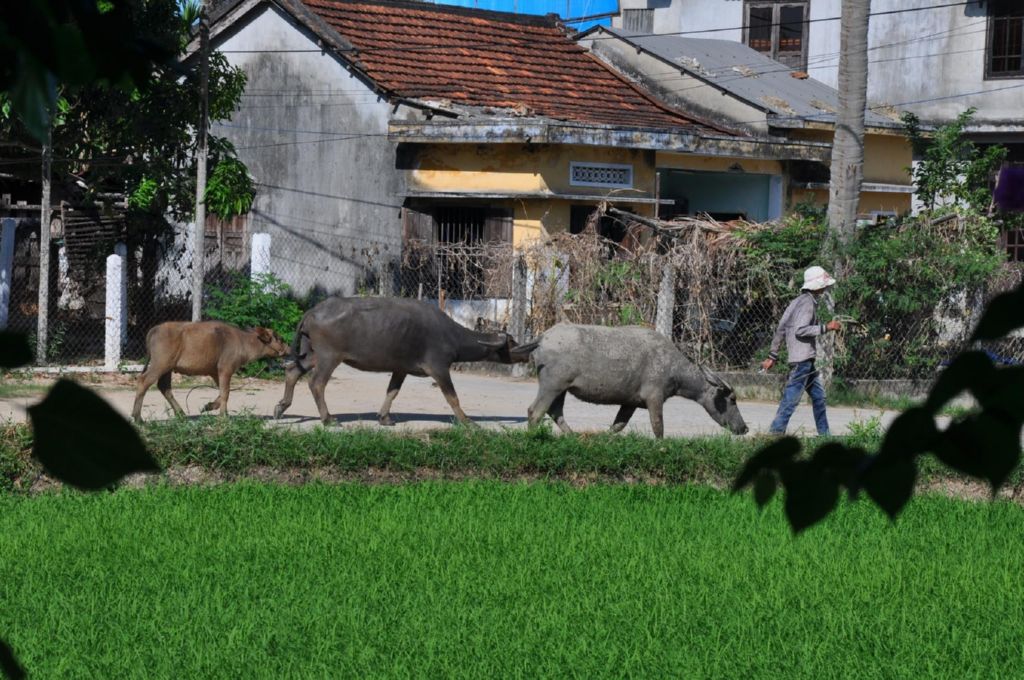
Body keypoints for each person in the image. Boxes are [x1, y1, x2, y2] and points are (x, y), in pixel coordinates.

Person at [760, 265, 842, 436]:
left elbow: (781, 328)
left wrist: (772, 355)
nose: (826, 287)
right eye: (824, 284)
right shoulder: (808, 305)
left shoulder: (796, 301)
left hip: (804, 361)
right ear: (818, 286)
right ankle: (775, 432)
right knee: (791, 399)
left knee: (819, 398)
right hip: (802, 361)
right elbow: (801, 330)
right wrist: (827, 327)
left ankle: (824, 434)